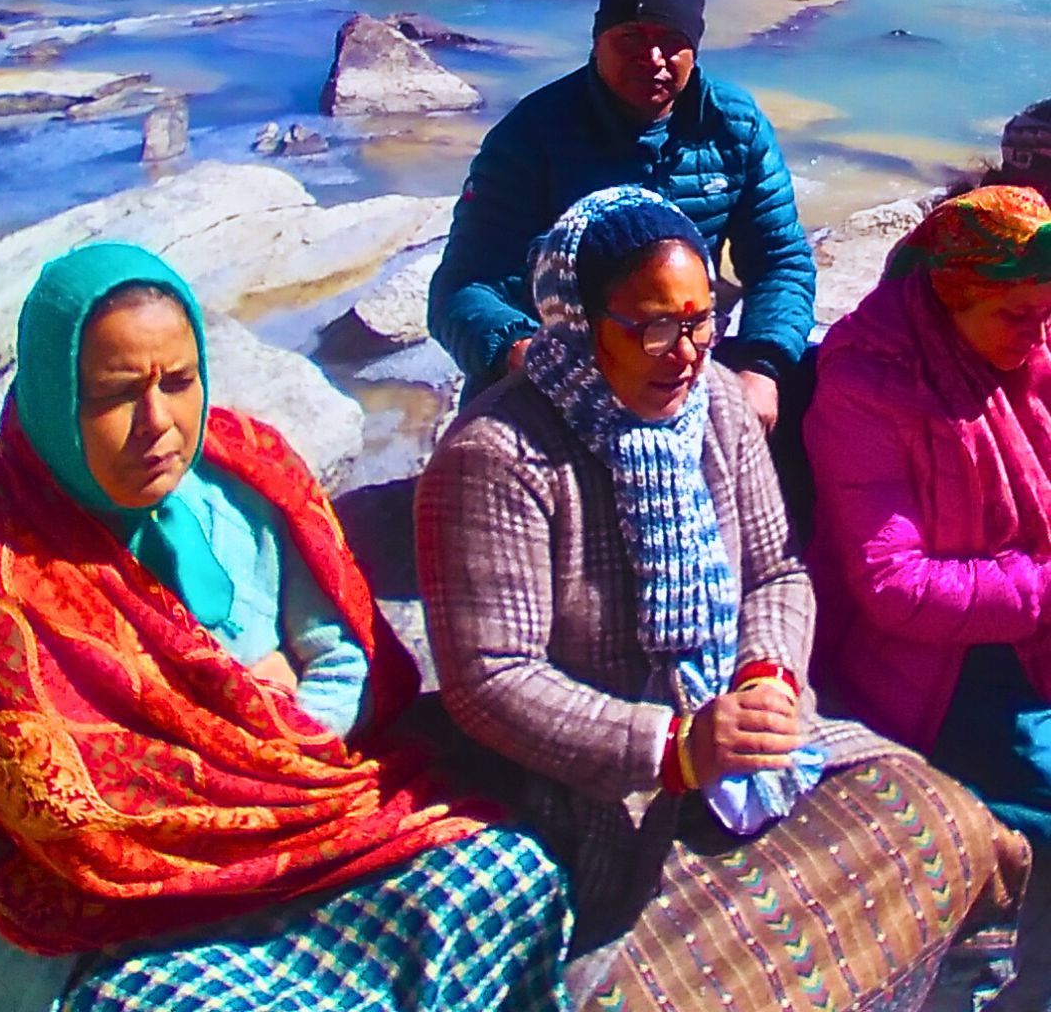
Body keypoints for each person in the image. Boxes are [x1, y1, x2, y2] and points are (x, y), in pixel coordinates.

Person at [417, 187, 1027, 1009]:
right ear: (578, 321)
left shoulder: (719, 413)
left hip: (753, 730)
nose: (687, 352)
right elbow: (492, 680)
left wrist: (770, 675)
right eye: (654, 326)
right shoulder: (500, 458)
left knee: (945, 823)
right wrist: (674, 747)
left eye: (702, 320)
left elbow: (777, 572)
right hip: (597, 779)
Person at [0, 242, 572, 1012]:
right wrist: (251, 720)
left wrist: (260, 743)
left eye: (178, 383)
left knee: (505, 879)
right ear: (57, 398)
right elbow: (50, 811)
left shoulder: (249, 473)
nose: (157, 423)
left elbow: (343, 660)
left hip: (315, 829)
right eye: (117, 394)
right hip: (121, 911)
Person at [428, 0, 815, 431]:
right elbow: (460, 290)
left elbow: (782, 260)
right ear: (598, 39)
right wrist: (529, 359)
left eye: (671, 41)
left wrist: (763, 366)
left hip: (677, 369)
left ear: (695, 46)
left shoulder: (734, 126)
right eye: (631, 37)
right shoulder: (530, 136)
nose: (651, 58)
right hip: (555, 377)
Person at [804, 185, 1051, 844]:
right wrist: (1042, 587)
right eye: (1016, 315)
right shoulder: (868, 385)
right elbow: (894, 584)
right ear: (955, 296)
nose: (1035, 335)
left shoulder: (1026, 346)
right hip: (939, 672)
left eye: (1044, 314)